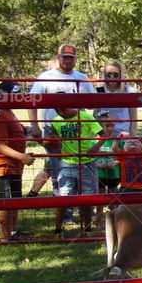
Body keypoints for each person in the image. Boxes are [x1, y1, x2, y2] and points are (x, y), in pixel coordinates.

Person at [27, 43, 94, 209]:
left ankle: (83, 207)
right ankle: (65, 210)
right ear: (59, 57)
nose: (68, 61)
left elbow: (93, 101)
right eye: (65, 57)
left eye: (71, 58)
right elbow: (32, 101)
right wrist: (34, 125)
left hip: (78, 128)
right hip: (54, 129)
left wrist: (90, 123)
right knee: (59, 168)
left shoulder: (82, 78)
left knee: (81, 166)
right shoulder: (46, 77)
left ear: (76, 59)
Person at [50, 94, 108, 237]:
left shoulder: (86, 118)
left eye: (62, 110)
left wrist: (95, 148)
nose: (61, 113)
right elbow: (51, 140)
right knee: (62, 199)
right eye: (57, 111)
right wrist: (46, 141)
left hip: (87, 164)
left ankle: (87, 230)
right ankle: (58, 230)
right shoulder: (56, 121)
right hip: (67, 164)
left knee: (87, 201)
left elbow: (104, 134)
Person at [0, 82, 36, 242]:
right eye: (15, 94)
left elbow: (18, 130)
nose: (18, 97)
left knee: (15, 198)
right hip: (4, 165)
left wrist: (30, 130)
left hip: (15, 165)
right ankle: (4, 236)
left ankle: (13, 232)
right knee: (5, 200)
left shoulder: (9, 112)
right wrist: (22, 157)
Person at [92, 109, 121, 229]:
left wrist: (115, 162)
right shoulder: (94, 141)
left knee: (113, 198)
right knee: (100, 199)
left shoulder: (117, 141)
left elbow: (122, 157)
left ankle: (114, 222)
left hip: (113, 174)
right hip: (100, 174)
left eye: (112, 125)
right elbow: (91, 158)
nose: (110, 128)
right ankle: (98, 221)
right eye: (107, 126)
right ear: (100, 126)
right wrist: (98, 165)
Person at [97, 59, 138, 137]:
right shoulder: (100, 90)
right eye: (109, 74)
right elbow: (96, 114)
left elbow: (134, 119)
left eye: (115, 75)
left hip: (124, 135)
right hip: (106, 136)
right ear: (105, 75)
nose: (112, 78)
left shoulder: (129, 90)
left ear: (121, 75)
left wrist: (132, 137)